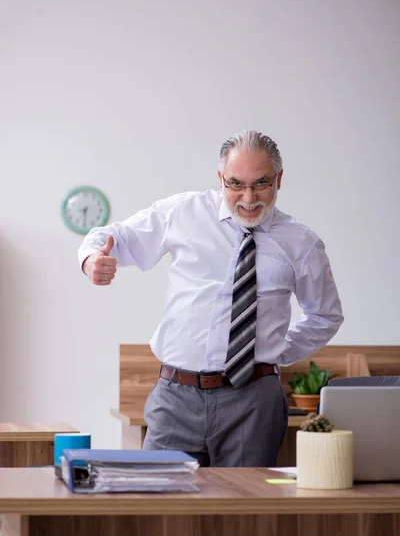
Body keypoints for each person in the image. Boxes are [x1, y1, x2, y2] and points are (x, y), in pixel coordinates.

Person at [78, 130, 343, 467]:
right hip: (176, 396)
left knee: (244, 513)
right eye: (235, 184)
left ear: (279, 179)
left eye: (260, 183)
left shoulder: (301, 243)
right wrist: (91, 260)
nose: (248, 198)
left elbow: (326, 315)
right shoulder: (183, 213)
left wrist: (274, 352)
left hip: (254, 401)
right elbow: (112, 237)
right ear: (220, 179)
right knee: (158, 506)